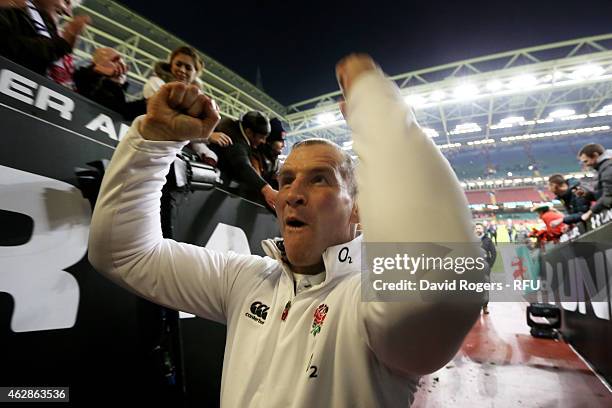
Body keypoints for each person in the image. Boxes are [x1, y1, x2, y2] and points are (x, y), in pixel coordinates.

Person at [88, 54, 483, 407]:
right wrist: (152, 144)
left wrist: (378, 112)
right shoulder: (245, 278)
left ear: (360, 208)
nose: (292, 194)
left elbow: (446, 282)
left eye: (319, 180)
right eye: (287, 178)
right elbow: (122, 253)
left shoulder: (369, 301)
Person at [143, 45, 231, 164]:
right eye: (178, 64)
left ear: (195, 74)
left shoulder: (198, 99)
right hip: (151, 150)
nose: (182, 70)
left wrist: (205, 152)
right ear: (171, 65)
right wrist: (207, 136)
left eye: (188, 68)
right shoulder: (156, 83)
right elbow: (164, 125)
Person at [0, 0, 89, 88]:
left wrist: (95, 75)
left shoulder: (51, 31)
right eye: (66, 1)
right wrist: (60, 45)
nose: (68, 13)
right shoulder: (7, 8)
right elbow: (8, 49)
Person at [211, 111, 278, 208]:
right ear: (249, 132)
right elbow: (242, 166)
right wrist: (267, 190)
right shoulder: (235, 140)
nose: (263, 142)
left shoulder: (234, 128)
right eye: (261, 137)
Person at [74, 47, 146, 121]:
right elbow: (119, 112)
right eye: (115, 60)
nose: (122, 68)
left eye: (122, 63)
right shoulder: (84, 82)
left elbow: (119, 111)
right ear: (97, 65)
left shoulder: (116, 93)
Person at [576, 143, 612, 222]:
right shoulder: (602, 168)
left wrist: (591, 211)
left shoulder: (607, 167)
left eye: (586, 161)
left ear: (595, 155)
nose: (586, 165)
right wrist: (587, 195)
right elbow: (602, 194)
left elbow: (609, 195)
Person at [256, 117, 286, 189]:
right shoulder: (255, 157)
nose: (284, 145)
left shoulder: (274, 161)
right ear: (269, 142)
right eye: (280, 141)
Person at [475, 223, 496, 314]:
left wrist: (489, 265)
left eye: (479, 228)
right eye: (476, 228)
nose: (477, 229)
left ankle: (485, 306)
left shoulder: (488, 240)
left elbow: (494, 253)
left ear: (483, 229)